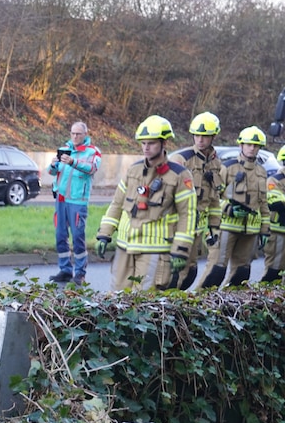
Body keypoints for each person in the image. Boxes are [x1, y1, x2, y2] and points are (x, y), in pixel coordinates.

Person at [95, 115, 197, 291]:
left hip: (155, 250)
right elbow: (117, 204)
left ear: (164, 143)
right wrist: (104, 234)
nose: (146, 147)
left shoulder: (179, 175)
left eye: (151, 143)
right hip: (125, 247)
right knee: (117, 298)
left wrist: (180, 249)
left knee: (144, 301)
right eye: (143, 143)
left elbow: (187, 215)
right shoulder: (133, 171)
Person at [196, 126, 271, 288]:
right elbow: (214, 197)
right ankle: (197, 302)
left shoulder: (261, 172)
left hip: (251, 231)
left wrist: (265, 229)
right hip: (227, 227)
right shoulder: (228, 167)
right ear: (241, 145)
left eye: (256, 145)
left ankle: (229, 306)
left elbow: (264, 204)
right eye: (248, 144)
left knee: (242, 273)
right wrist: (229, 209)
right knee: (217, 270)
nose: (252, 148)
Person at [168, 112, 224, 290]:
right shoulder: (181, 159)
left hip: (198, 227)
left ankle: (177, 307)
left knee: (189, 271)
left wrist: (214, 227)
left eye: (205, 136)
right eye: (197, 135)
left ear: (213, 136)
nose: (200, 139)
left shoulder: (216, 164)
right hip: (178, 225)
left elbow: (214, 199)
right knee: (172, 271)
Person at [47, 121, 101, 285]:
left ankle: (80, 273)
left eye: (78, 134)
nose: (75, 136)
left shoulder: (93, 152)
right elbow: (51, 172)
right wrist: (53, 164)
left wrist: (73, 162)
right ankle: (65, 270)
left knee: (78, 237)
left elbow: (91, 168)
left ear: (85, 135)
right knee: (60, 236)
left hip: (78, 201)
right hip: (61, 199)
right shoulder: (65, 148)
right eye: (73, 133)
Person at [263, 147, 285, 283]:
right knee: (274, 269)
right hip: (279, 231)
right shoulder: (275, 180)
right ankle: (264, 298)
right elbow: (274, 202)